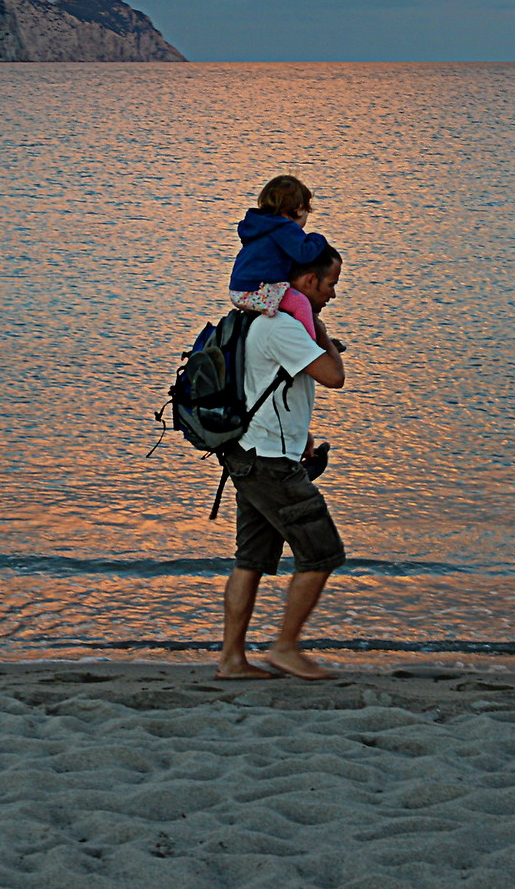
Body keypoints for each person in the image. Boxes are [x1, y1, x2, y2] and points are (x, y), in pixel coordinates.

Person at [216, 245, 348, 682]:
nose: (332, 293)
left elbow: (270, 388)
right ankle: (285, 647)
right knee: (322, 551)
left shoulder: (264, 321)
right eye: (330, 284)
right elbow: (334, 377)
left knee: (251, 560)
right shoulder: (284, 327)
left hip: (253, 455)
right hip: (270, 465)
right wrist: (323, 335)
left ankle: (232, 661)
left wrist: (300, 436)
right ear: (308, 281)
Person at [229, 176, 332, 333]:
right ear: (298, 208)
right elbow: (304, 254)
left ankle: (310, 331)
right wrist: (318, 239)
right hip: (254, 290)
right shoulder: (284, 227)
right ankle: (310, 344)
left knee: (292, 296)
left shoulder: (260, 226)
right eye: (306, 212)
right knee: (300, 303)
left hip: (239, 289)